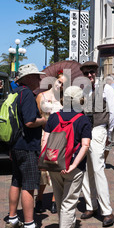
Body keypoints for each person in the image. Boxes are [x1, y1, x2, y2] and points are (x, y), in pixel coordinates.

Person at [42, 86, 92, 228]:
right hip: (73, 168)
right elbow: (85, 146)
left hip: (54, 165)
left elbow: (46, 142)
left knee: (60, 199)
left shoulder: (54, 117)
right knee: (69, 203)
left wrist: (49, 162)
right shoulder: (83, 120)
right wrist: (73, 165)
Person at [5, 63, 50, 228]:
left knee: (16, 181)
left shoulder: (14, 93)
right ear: (28, 78)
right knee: (29, 185)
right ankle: (30, 226)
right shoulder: (28, 95)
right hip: (28, 145)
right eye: (37, 76)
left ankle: (12, 219)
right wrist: (44, 120)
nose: (39, 79)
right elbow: (30, 122)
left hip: (15, 145)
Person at [79, 61, 114, 227]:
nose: (90, 75)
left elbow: (113, 113)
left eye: (92, 72)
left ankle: (107, 210)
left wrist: (109, 134)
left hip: (99, 130)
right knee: (85, 170)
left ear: (97, 71)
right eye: (87, 73)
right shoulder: (85, 90)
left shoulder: (106, 88)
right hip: (86, 131)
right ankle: (90, 205)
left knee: (97, 168)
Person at [35, 70, 68, 214]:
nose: (60, 86)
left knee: (57, 167)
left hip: (60, 136)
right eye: (59, 82)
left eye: (64, 84)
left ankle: (55, 199)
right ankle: (39, 198)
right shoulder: (41, 96)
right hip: (45, 134)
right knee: (43, 168)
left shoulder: (64, 100)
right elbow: (38, 116)